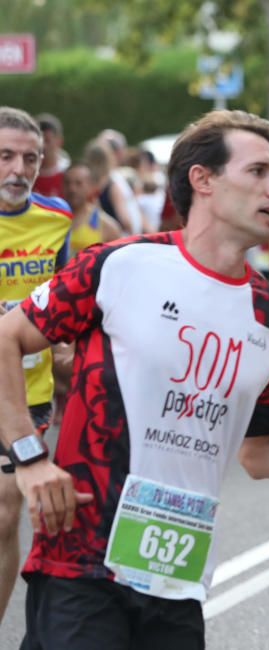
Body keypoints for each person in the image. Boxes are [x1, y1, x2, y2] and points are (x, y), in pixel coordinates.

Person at [0, 109, 269, 648]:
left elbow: (261, 454)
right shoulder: (122, 265)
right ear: (202, 180)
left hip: (177, 581)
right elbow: (6, 337)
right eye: (258, 172)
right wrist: (30, 458)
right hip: (82, 566)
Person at [0, 108, 73, 625]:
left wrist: (72, 352)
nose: (17, 169)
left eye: (30, 157)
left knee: (5, 512)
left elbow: (68, 302)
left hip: (26, 394)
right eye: (5, 156)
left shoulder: (57, 218)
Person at [63, 162, 123, 256]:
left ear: (90, 186)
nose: (72, 189)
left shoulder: (107, 227)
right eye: (67, 183)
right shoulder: (53, 222)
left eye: (78, 183)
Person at [32, 114, 67, 198]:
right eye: (39, 141)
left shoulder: (68, 173)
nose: (43, 146)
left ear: (59, 141)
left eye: (47, 140)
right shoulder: (24, 172)